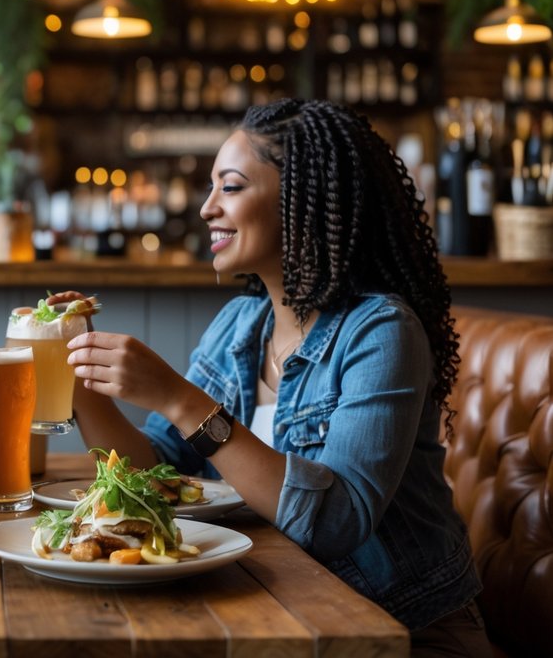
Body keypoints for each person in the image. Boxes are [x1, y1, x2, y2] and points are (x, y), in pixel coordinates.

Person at [53, 99, 488, 656]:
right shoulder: (241, 324)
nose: (207, 207)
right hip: (280, 607)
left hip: (401, 625)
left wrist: (182, 402)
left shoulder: (380, 332)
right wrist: (80, 371)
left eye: (229, 187)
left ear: (302, 203)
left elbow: (337, 521)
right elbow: (155, 473)